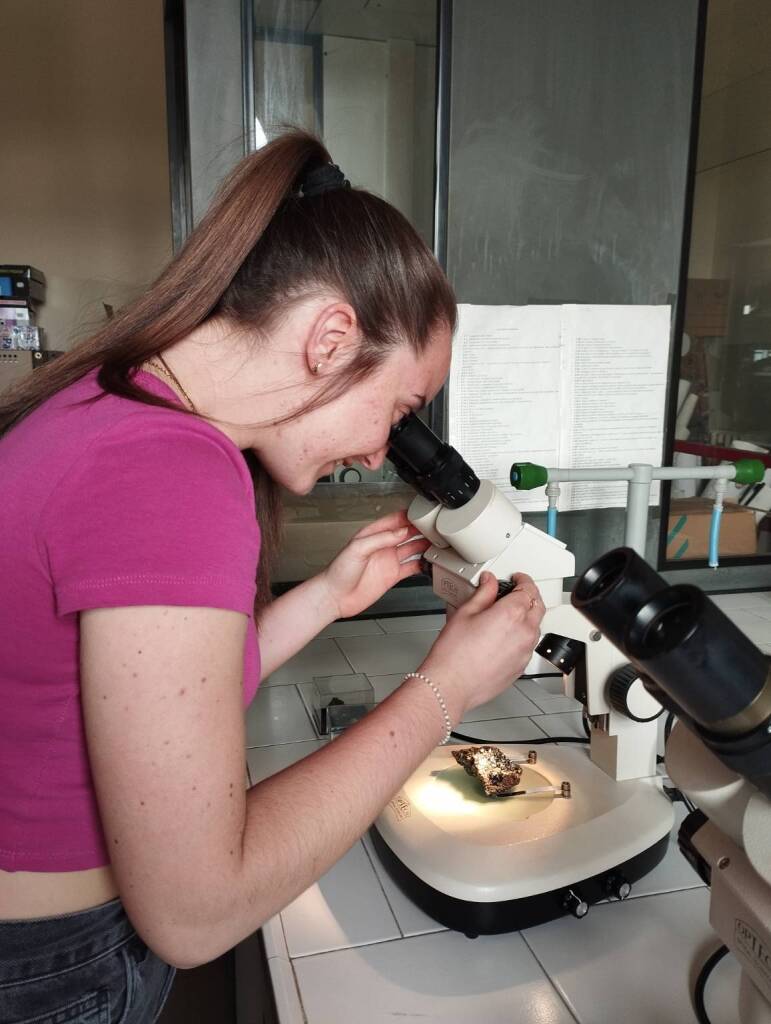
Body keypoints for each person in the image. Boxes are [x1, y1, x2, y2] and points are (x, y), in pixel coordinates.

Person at [0, 130, 545, 1023]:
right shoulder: (173, 471)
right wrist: (447, 687)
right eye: (401, 411)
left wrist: (328, 597)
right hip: (56, 973)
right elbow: (197, 910)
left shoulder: (109, 408)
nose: (381, 455)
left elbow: (143, 699)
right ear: (332, 338)